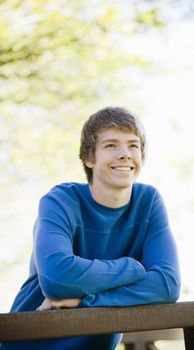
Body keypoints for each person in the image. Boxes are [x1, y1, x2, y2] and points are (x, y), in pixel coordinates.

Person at [1, 106, 181, 350]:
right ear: (89, 158)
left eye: (133, 145)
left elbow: (167, 285)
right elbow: (57, 277)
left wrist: (84, 301)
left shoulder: (148, 202)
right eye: (111, 145)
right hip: (31, 341)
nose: (125, 154)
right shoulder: (60, 201)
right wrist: (132, 267)